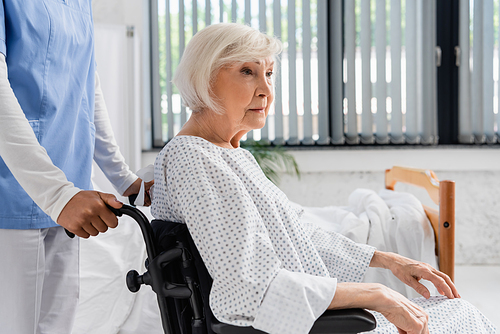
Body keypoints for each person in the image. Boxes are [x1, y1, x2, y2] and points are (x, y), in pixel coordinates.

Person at [151, 22, 495, 334]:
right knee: (461, 315)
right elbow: (249, 290)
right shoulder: (194, 159)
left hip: (314, 319)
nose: (266, 90)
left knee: (452, 309)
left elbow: (294, 234)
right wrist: (377, 294)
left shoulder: (228, 155)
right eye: (247, 72)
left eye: (269, 74)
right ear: (205, 78)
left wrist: (388, 260)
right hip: (307, 325)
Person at [0, 1, 152, 333]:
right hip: (12, 192)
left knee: (57, 325)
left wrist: (123, 177)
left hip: (70, 188)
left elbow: (86, 88)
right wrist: (58, 196)